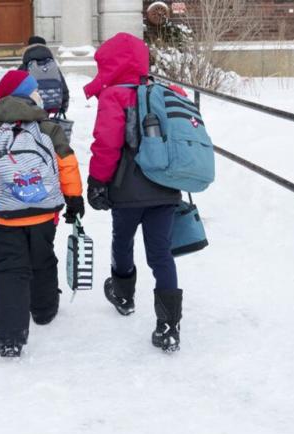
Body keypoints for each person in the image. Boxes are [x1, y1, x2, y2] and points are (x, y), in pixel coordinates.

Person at [0, 70, 83, 357]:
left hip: (3, 216)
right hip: (43, 212)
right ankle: (44, 309)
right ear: (27, 95)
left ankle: (10, 336)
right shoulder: (49, 128)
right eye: (35, 89)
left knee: (10, 268)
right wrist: (74, 198)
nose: (39, 92)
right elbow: (67, 165)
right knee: (42, 258)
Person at [84, 33, 184, 352]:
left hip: (127, 188)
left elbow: (107, 144)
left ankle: (124, 295)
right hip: (166, 185)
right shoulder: (167, 91)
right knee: (160, 253)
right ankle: (169, 326)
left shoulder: (114, 95)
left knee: (122, 239)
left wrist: (97, 181)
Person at [19, 35, 70, 116]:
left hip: (31, 106)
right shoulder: (52, 65)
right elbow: (63, 85)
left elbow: (15, 87)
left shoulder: (26, 65)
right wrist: (64, 104)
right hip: (52, 104)